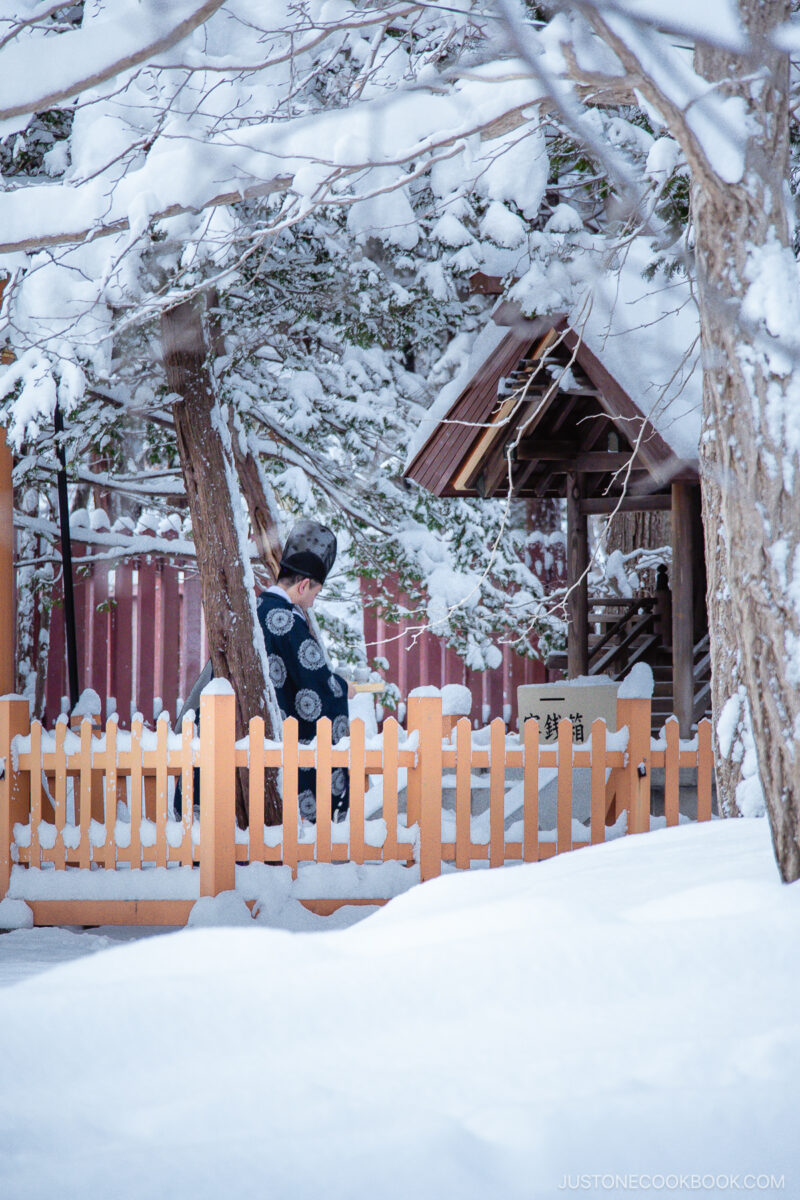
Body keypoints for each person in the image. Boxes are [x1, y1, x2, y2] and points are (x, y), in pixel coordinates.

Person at [256, 519, 355, 822]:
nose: (312, 602)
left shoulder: (258, 608)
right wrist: (341, 686)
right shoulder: (286, 620)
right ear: (303, 585)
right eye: (315, 592)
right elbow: (317, 687)